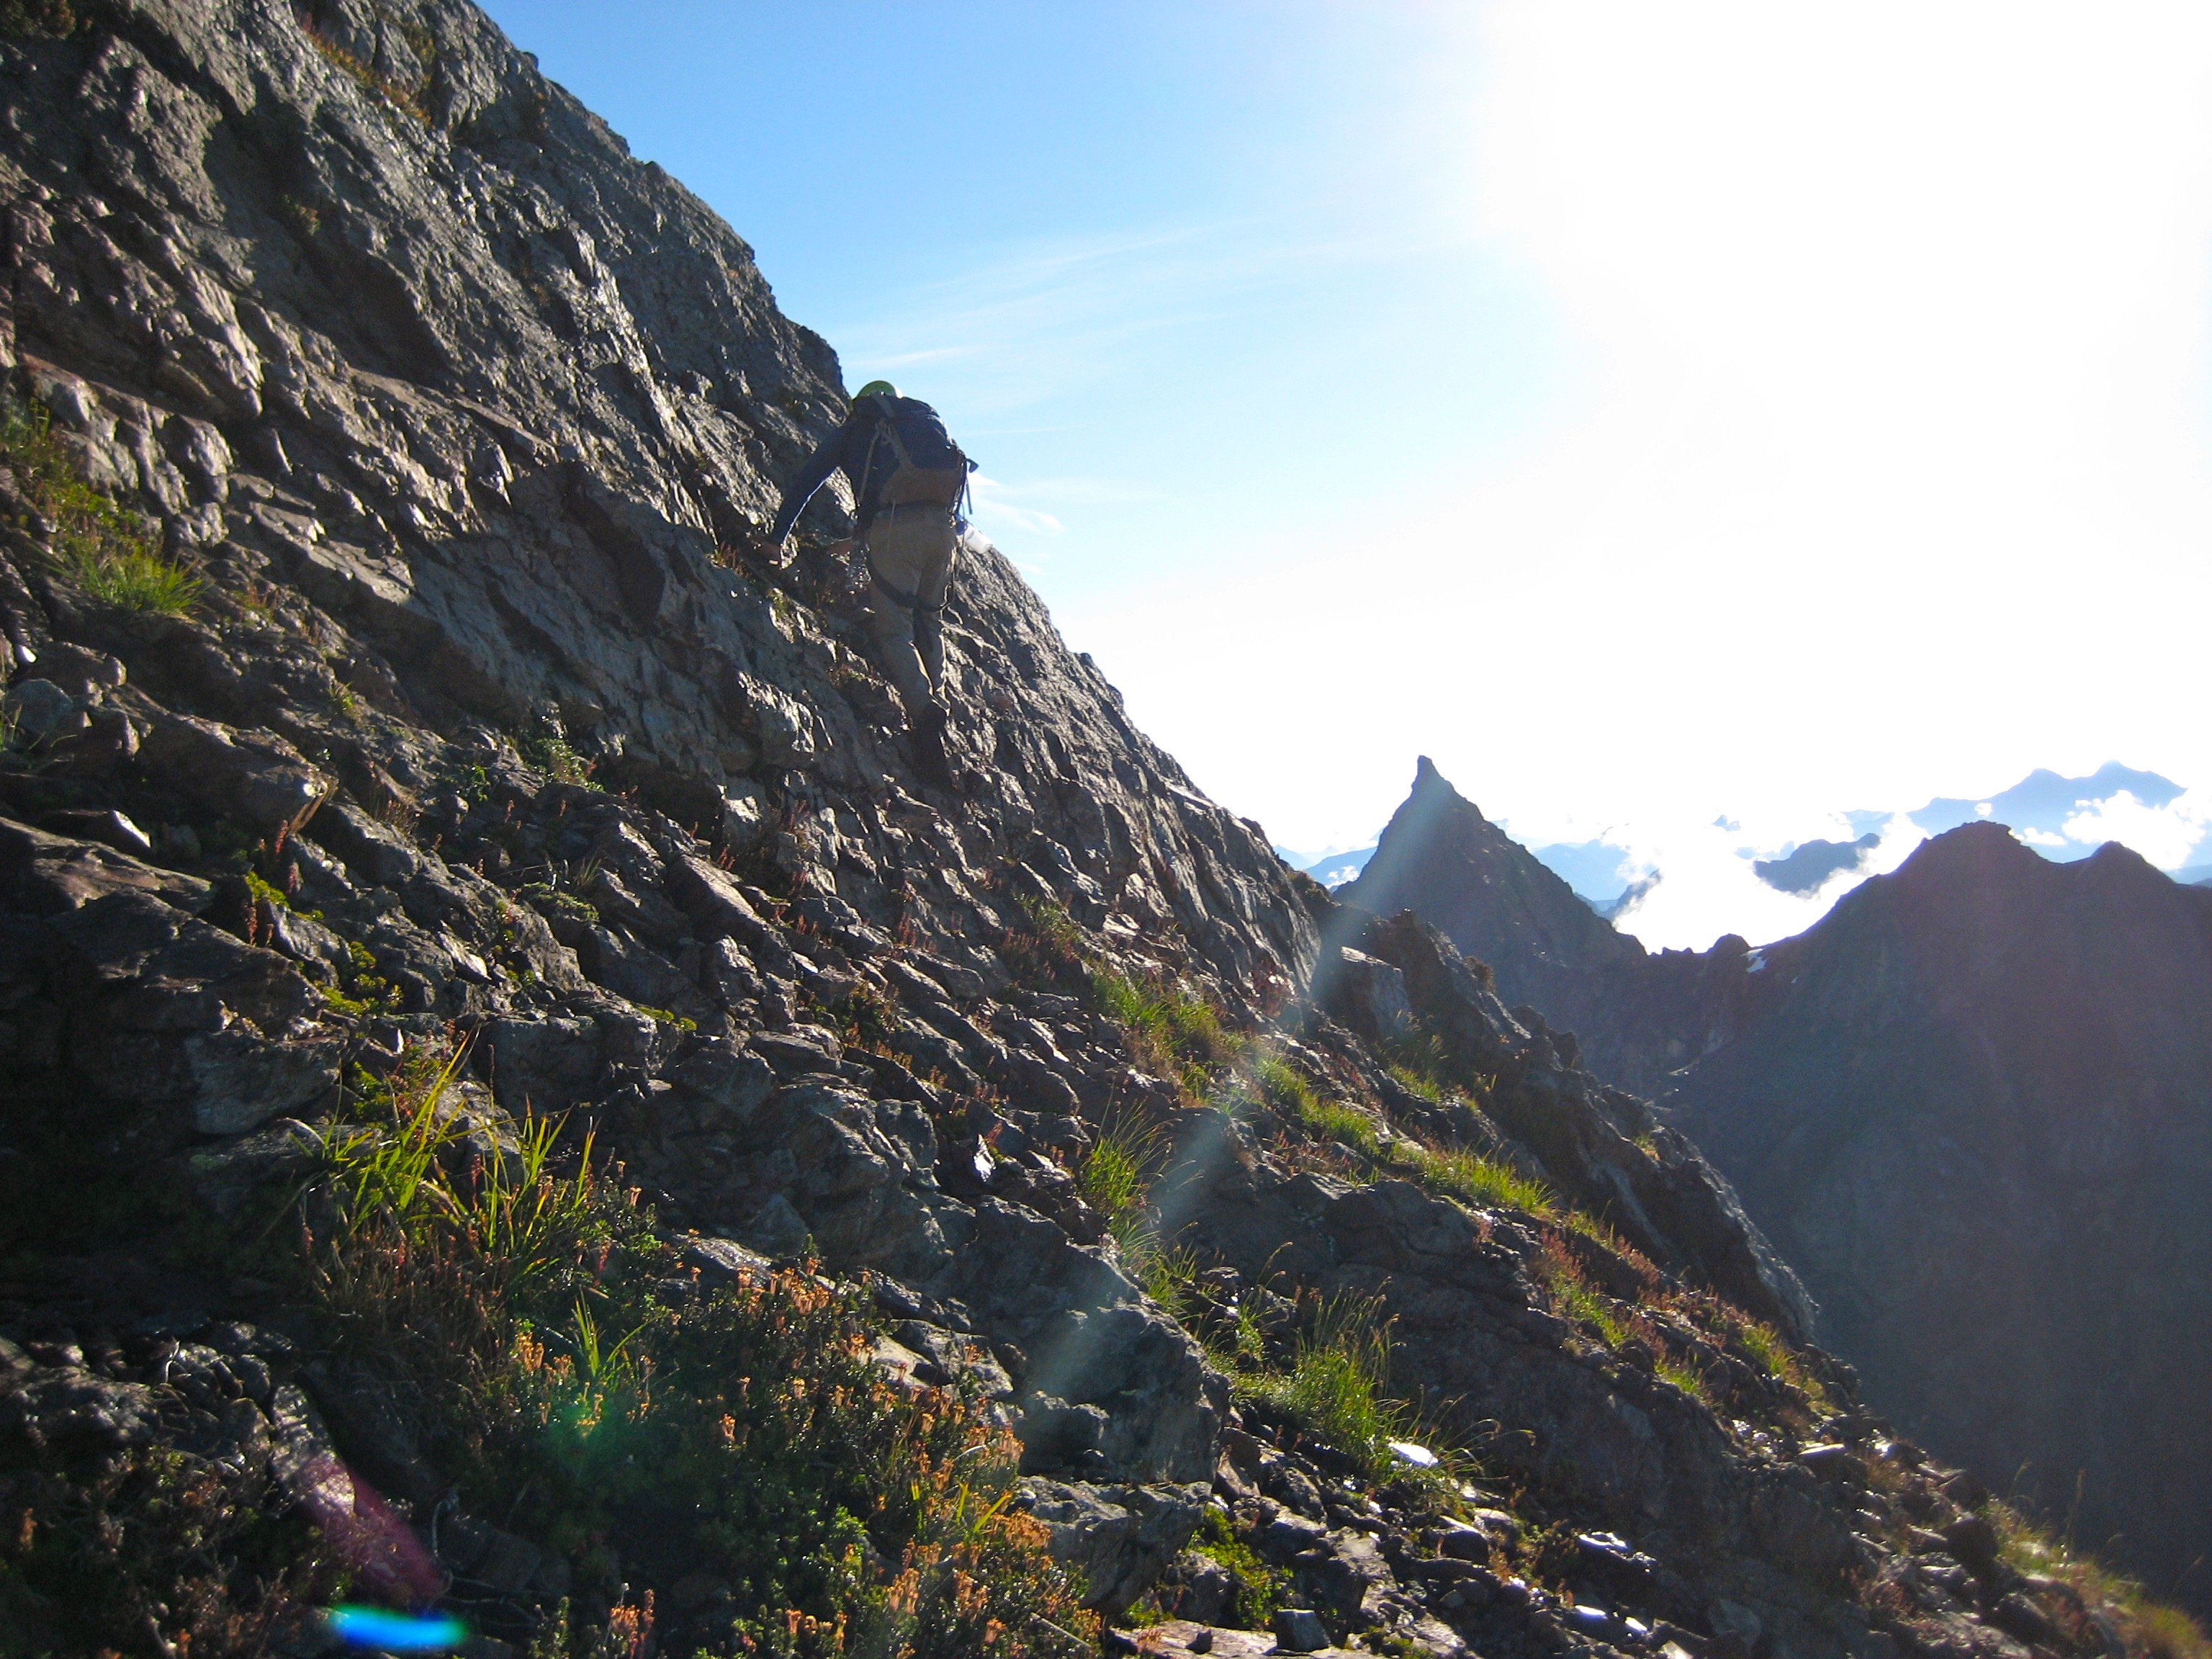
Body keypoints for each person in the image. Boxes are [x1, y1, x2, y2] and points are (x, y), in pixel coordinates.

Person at [763, 381, 972, 787]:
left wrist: (777, 538)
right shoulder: (920, 423)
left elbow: (808, 481)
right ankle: (938, 702)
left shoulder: (857, 430)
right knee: (929, 622)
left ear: (859, 405)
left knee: (896, 630)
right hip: (943, 531)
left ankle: (925, 714)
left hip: (895, 533)